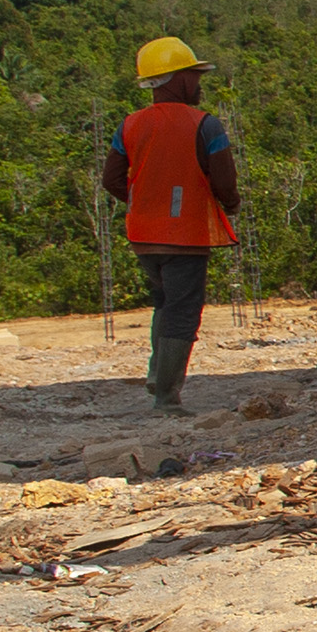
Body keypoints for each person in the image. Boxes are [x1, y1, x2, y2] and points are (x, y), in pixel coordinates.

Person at [98, 34, 240, 410]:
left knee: (164, 302)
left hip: (143, 237)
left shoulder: (129, 125)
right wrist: (231, 204)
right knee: (183, 310)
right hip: (185, 237)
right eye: (193, 76)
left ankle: (156, 373)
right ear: (176, 79)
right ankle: (167, 397)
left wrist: (146, 202)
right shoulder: (205, 125)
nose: (198, 83)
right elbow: (225, 180)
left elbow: (111, 180)